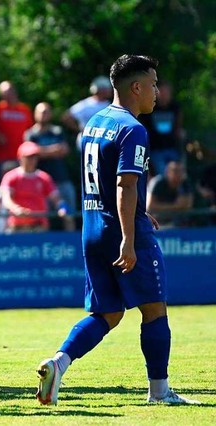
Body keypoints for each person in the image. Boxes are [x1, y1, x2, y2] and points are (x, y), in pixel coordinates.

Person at [36, 55, 200, 406]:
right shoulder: (133, 129)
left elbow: (107, 184)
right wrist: (129, 236)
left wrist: (139, 212)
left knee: (107, 314)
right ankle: (159, 392)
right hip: (124, 231)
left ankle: (58, 363)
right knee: (155, 309)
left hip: (93, 228)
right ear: (136, 87)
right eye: (153, 84)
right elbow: (125, 184)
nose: (157, 91)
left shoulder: (94, 123)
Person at [25, 102, 77, 230]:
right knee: (42, 217)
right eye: (41, 112)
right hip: (40, 183)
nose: (44, 115)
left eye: (46, 112)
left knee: (68, 213)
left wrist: (42, 151)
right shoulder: (30, 134)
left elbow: (64, 150)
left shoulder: (57, 131)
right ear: (35, 114)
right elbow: (31, 153)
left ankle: (72, 244)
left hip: (62, 179)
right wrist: (54, 150)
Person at [0, 141, 69, 233]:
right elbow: (6, 199)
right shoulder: (11, 177)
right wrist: (16, 209)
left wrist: (62, 207)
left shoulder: (44, 177)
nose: (32, 160)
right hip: (16, 228)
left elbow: (56, 198)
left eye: (34, 157)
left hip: (39, 227)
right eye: (28, 157)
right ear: (20, 158)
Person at [0, 80, 33, 179]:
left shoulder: (24, 109)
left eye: (9, 91)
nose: (7, 94)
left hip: (22, 155)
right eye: (3, 93)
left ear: (14, 91)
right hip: (3, 156)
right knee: (6, 183)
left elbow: (31, 130)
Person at [139, 80, 184, 176]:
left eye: (166, 92)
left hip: (172, 147)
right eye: (162, 92)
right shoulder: (150, 107)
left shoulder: (175, 107)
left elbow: (178, 127)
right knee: (163, 175)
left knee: (178, 174)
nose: (164, 94)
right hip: (156, 149)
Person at [61, 76, 113, 150]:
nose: (110, 90)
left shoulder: (108, 104)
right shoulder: (87, 104)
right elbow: (66, 117)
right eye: (108, 88)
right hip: (86, 142)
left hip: (103, 143)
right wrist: (79, 129)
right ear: (101, 89)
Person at [146, 160, 193, 228]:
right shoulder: (157, 183)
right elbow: (150, 206)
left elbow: (187, 206)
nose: (179, 174)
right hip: (156, 222)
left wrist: (161, 206)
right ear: (167, 172)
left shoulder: (185, 184)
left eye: (181, 171)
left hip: (179, 223)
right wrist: (175, 206)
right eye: (175, 171)